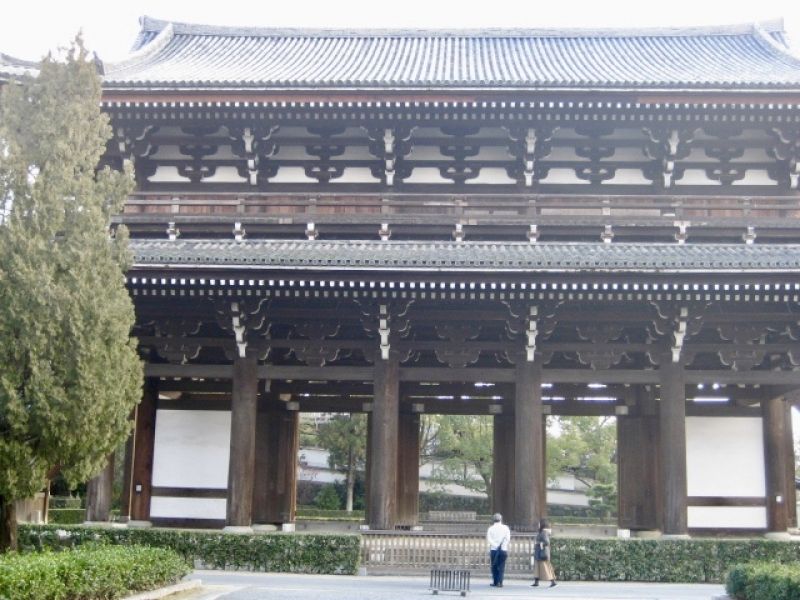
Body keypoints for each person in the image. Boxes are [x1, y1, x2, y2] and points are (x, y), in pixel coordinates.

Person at [486, 512, 511, 587]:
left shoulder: (490, 528)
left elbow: (489, 539)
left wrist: (495, 545)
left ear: (493, 520)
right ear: (501, 519)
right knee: (501, 566)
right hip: (503, 549)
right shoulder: (506, 528)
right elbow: (508, 538)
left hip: (494, 550)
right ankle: (500, 582)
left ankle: (495, 581)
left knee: (494, 566)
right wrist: (503, 545)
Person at [531, 519, 557, 588]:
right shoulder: (542, 532)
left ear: (542, 524)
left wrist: (538, 543)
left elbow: (547, 542)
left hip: (542, 553)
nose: (538, 525)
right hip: (539, 552)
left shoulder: (544, 532)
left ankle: (553, 582)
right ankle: (536, 582)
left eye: (539, 523)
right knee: (537, 567)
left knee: (545, 568)